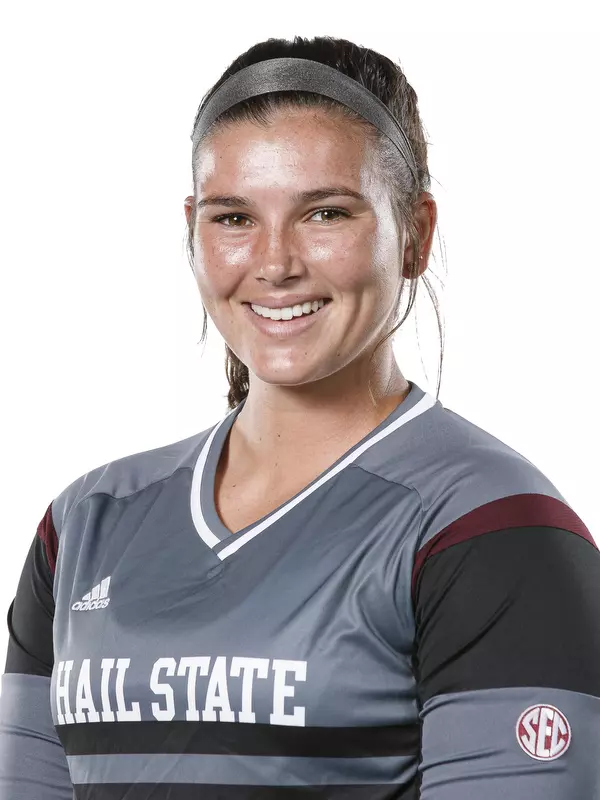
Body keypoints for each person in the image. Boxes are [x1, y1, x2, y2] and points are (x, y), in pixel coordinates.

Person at [0, 34, 598, 800]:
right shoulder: (83, 524)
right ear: (192, 228)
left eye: (324, 213)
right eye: (233, 218)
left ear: (415, 233)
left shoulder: (493, 531)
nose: (276, 263)